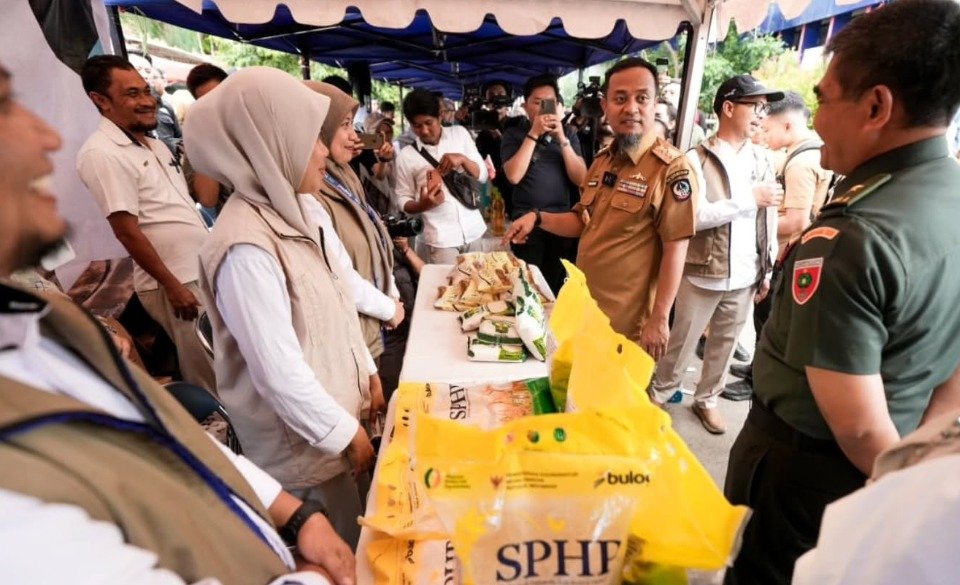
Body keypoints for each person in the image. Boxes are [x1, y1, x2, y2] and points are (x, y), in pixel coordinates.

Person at [0, 61, 355, 585]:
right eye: (5, 109)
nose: (47, 136)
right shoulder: (239, 242)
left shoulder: (45, 324)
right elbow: (129, 230)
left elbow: (160, 425)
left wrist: (291, 513)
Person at [724, 1, 960, 583]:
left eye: (824, 99)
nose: (815, 121)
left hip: (807, 478)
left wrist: (893, 502)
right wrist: (915, 484)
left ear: (877, 106)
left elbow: (857, 427)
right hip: (896, 455)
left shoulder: (852, 237)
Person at [186, 67, 387, 550]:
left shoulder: (303, 209)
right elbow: (278, 373)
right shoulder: (245, 248)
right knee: (343, 550)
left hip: (338, 424)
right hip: (305, 453)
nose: (323, 151)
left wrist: (367, 372)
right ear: (268, 145)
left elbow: (338, 302)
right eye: (310, 138)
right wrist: (345, 434)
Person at [503, 57, 698, 356]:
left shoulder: (671, 169)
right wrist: (538, 217)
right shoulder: (603, 160)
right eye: (620, 99)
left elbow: (676, 247)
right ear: (605, 106)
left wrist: (660, 318)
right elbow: (584, 221)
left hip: (627, 326)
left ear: (654, 103)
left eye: (641, 98)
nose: (631, 108)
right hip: (587, 309)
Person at [649, 75, 783, 433]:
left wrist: (767, 267)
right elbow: (691, 218)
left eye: (764, 108)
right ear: (728, 107)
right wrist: (748, 199)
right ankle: (659, 395)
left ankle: (707, 399)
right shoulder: (695, 159)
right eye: (755, 106)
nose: (761, 115)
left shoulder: (762, 158)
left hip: (746, 273)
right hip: (702, 271)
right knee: (681, 342)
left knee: (725, 345)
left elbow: (769, 215)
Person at [76, 55, 216, 394]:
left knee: (227, 363)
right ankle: (222, 427)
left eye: (145, 91)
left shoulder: (154, 144)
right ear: (101, 101)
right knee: (209, 370)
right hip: (176, 280)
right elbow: (126, 231)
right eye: (132, 94)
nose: (146, 101)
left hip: (199, 269)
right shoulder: (101, 153)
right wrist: (172, 285)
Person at [724, 90, 833, 401]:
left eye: (767, 128)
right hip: (790, 254)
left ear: (787, 126)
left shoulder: (800, 163)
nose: (764, 134)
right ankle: (754, 369)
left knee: (767, 321)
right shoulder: (808, 152)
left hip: (786, 254)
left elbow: (796, 221)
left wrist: (752, 224)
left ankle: (756, 381)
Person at [305, 81, 404, 362]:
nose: (354, 136)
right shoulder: (308, 191)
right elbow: (338, 273)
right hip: (349, 336)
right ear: (318, 128)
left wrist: (390, 292)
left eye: (353, 125)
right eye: (345, 125)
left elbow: (369, 234)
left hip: (369, 324)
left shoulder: (343, 172)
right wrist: (387, 307)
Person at [501, 73, 587, 293]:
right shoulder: (514, 134)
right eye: (537, 102)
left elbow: (581, 179)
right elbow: (514, 176)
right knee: (529, 288)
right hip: (527, 225)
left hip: (561, 223)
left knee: (556, 288)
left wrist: (562, 139)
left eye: (549, 103)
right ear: (525, 106)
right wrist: (534, 133)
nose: (543, 109)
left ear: (558, 106)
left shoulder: (569, 134)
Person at [394, 88, 489, 264]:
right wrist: (422, 205)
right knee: (445, 283)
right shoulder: (406, 156)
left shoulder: (459, 134)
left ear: (440, 116)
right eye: (417, 125)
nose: (424, 130)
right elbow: (402, 198)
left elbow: (482, 175)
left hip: (473, 228)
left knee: (478, 280)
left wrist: (463, 159)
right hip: (439, 239)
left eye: (428, 122)